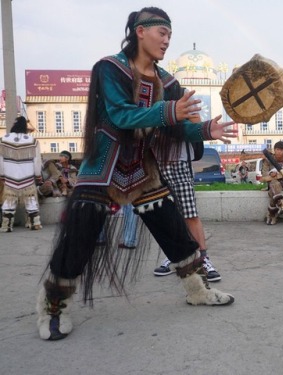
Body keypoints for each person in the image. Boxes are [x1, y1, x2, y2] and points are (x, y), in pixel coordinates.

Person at [35, 7, 237, 341]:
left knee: (173, 228)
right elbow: (119, 115)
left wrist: (204, 130)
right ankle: (52, 305)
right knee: (79, 239)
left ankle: (196, 289)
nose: (167, 41)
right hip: (102, 168)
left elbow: (178, 130)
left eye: (170, 35)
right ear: (140, 31)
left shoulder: (168, 82)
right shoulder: (109, 69)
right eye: (162, 33)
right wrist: (171, 110)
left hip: (142, 170)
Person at [153, 140, 221, 281]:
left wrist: (206, 129)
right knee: (168, 214)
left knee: (190, 213)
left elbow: (196, 125)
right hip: (156, 161)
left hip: (180, 161)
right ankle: (175, 256)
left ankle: (202, 258)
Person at [0, 116, 43, 232]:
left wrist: (2, 175)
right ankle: (35, 223)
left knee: (9, 201)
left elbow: (0, 160)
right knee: (30, 200)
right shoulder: (33, 141)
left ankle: (6, 226)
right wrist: (38, 175)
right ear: (25, 127)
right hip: (27, 177)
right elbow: (37, 160)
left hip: (10, 176)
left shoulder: (3, 140)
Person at [261, 141, 283, 225]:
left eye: (281, 150)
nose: (279, 152)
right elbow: (264, 173)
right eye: (277, 149)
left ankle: (271, 214)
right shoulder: (268, 160)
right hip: (272, 183)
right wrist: (270, 174)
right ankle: (281, 204)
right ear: (274, 150)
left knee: (273, 191)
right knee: (274, 183)